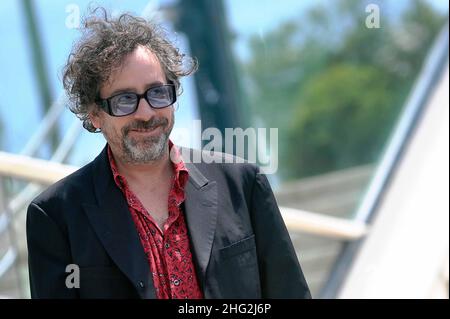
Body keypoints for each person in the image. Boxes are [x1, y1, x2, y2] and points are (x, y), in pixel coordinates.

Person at [26, 9, 311, 299]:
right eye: (125, 100)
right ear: (95, 114)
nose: (146, 112)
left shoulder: (244, 184)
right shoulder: (55, 216)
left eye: (157, 92)